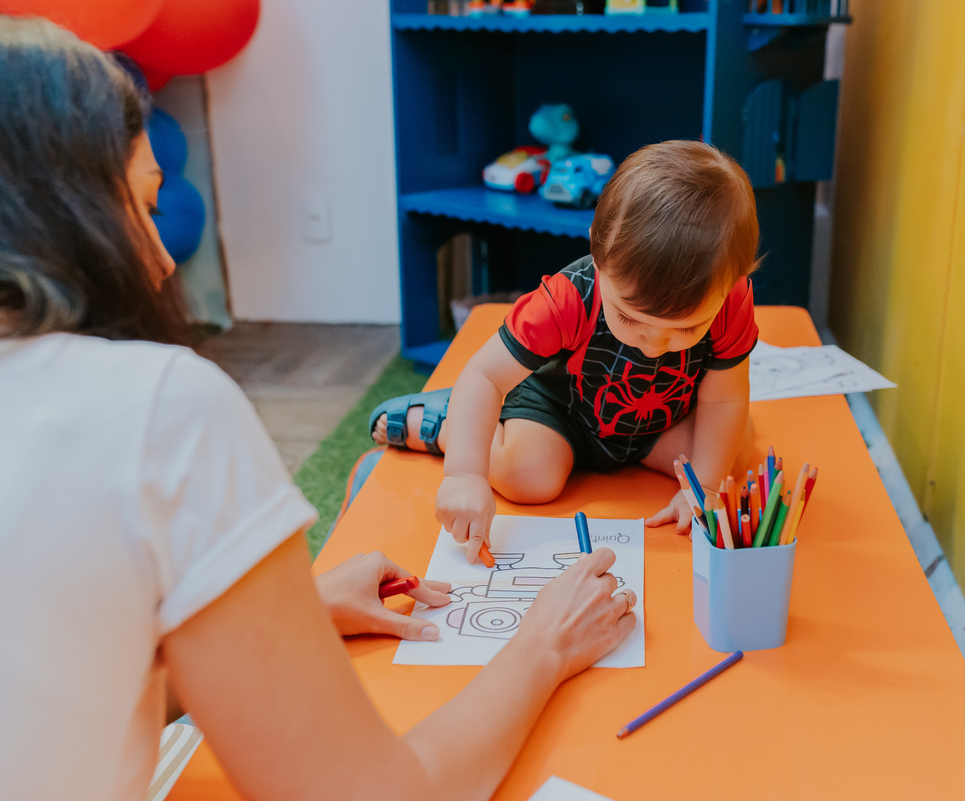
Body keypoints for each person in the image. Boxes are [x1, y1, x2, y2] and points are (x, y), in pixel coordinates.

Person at [0, 17, 636, 801]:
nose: (163, 260)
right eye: (146, 205)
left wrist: (280, 621)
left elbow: (52, 679)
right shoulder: (159, 408)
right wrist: (543, 643)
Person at [371, 140, 760, 558]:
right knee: (527, 476)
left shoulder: (731, 299)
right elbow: (485, 375)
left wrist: (705, 487)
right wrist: (464, 475)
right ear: (598, 251)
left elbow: (724, 398)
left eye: (686, 328)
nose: (654, 344)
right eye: (630, 318)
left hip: (658, 422)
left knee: (735, 452)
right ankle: (446, 424)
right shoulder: (566, 299)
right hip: (561, 414)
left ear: (732, 281)